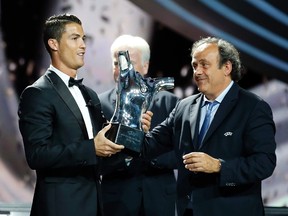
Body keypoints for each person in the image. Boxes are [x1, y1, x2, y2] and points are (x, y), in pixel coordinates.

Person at [17, 14, 151, 216]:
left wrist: (134, 133)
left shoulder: (89, 94)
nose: (83, 46)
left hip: (95, 205)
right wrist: (91, 148)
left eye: (84, 38)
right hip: (59, 208)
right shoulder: (37, 93)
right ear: (54, 43)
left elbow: (104, 153)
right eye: (74, 38)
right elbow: (37, 155)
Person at [142, 36, 277, 216]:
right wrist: (135, 130)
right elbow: (149, 145)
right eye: (194, 65)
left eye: (204, 65)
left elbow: (264, 163)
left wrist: (219, 166)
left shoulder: (253, 107)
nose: (197, 72)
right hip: (188, 210)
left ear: (227, 67)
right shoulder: (183, 107)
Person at [99, 34, 179, 216]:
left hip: (159, 201)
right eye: (117, 63)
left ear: (146, 66)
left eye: (130, 63)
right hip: (116, 202)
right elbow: (96, 161)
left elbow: (181, 153)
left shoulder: (170, 103)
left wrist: (149, 143)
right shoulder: (99, 103)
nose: (123, 70)